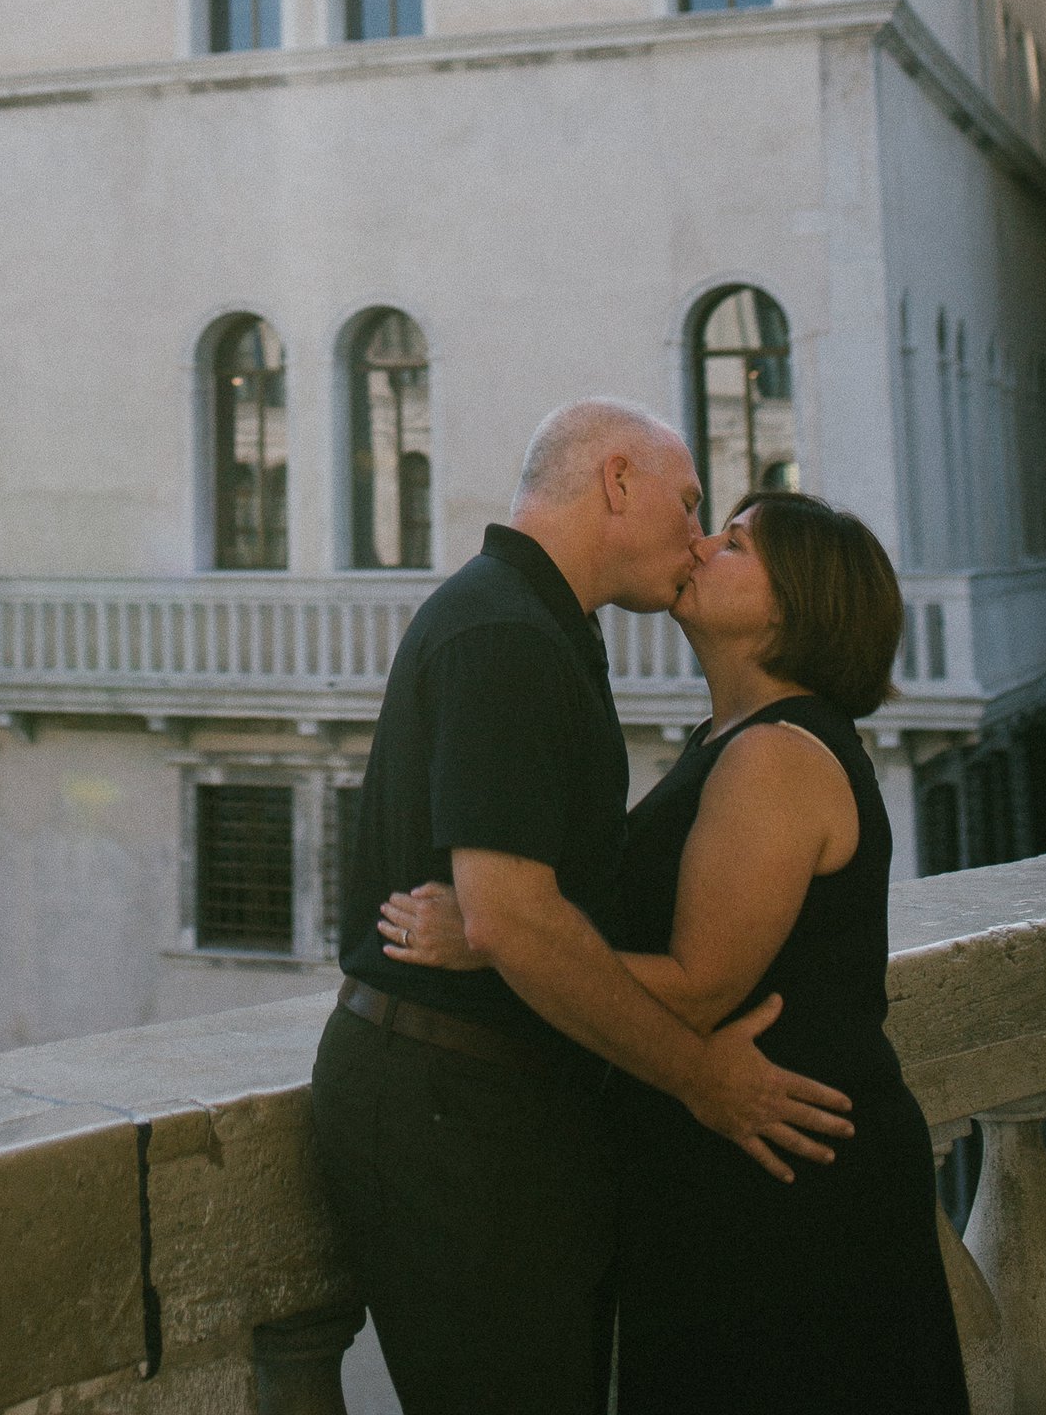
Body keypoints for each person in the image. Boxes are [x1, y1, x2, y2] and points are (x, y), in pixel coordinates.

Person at [311, 400, 854, 1415]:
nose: (696, 537)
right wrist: (706, 1081)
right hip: (454, 1122)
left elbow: (520, 919)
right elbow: (512, 917)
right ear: (615, 483)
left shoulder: (535, 626)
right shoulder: (504, 635)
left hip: (495, 1113)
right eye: (689, 503)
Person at [381, 488, 969, 1415]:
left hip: (786, 1183)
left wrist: (496, 941)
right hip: (739, 1168)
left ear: (790, 604)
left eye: (732, 542)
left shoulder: (775, 758)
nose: (699, 545)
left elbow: (698, 989)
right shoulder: (730, 740)